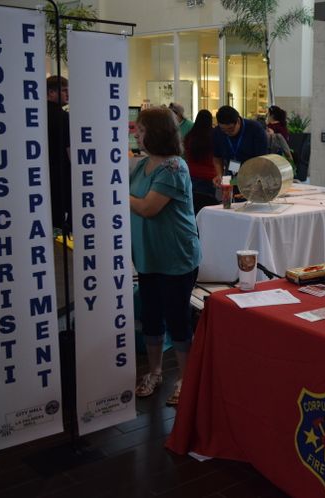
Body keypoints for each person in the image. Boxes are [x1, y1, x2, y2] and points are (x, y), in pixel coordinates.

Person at [129, 107, 201, 406]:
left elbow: (148, 208)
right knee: (151, 317)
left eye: (141, 130)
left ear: (156, 133)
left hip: (176, 257)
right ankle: (156, 372)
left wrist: (113, 192)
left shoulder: (174, 168)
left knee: (177, 318)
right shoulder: (142, 165)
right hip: (149, 256)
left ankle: (186, 378)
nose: (136, 134)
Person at [212, 105, 267, 187]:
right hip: (231, 172)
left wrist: (249, 180)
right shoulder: (217, 132)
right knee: (230, 196)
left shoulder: (255, 129)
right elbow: (217, 158)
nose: (227, 132)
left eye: (230, 129)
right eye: (224, 130)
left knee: (249, 197)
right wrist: (220, 175)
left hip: (253, 175)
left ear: (238, 121)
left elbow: (261, 160)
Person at [46, 75, 72, 231]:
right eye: (63, 90)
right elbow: (69, 149)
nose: (67, 94)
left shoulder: (36, 115)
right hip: (61, 175)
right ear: (51, 92)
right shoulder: (62, 116)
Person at [183, 109, 217, 197]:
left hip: (191, 174)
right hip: (209, 175)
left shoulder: (189, 136)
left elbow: (186, 153)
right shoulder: (213, 136)